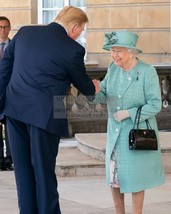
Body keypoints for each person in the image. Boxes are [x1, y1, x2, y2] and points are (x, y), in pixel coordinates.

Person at [0, 6, 100, 214]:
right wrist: (95, 86)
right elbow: (86, 88)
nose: (80, 35)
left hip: (14, 111)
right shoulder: (73, 49)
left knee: (23, 173)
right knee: (44, 173)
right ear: (75, 26)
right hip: (46, 116)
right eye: (81, 30)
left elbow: (4, 71)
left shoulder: (25, 32)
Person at [91, 30, 165, 214]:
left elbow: (155, 105)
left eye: (119, 51)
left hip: (136, 134)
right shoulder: (113, 69)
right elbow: (103, 96)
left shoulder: (147, 72)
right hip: (114, 134)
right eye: (112, 51)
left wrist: (129, 113)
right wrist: (93, 91)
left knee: (135, 179)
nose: (114, 55)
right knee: (114, 179)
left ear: (131, 52)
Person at [0, 16, 13, 171]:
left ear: (9, 28)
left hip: (11, 94)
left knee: (10, 128)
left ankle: (10, 159)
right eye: (0, 27)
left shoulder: (14, 46)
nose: (2, 30)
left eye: (5, 27)